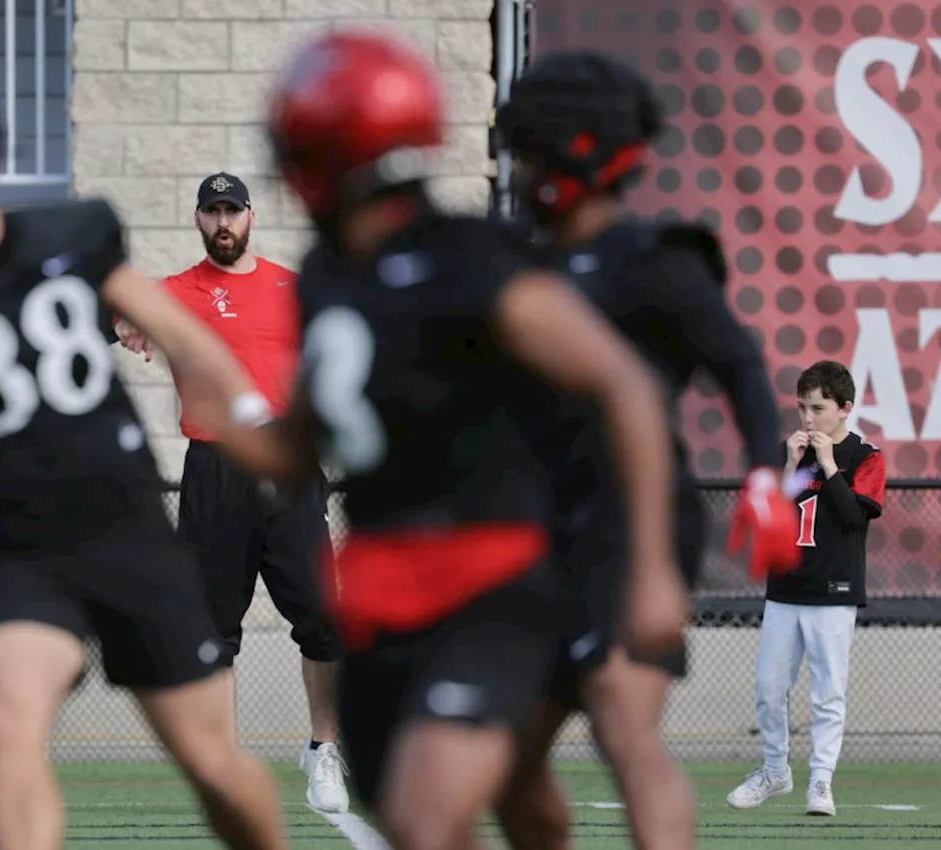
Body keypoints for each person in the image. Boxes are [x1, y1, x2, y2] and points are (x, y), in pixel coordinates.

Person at [211, 30, 690, 849]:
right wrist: (217, 421)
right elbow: (302, 446)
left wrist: (649, 571)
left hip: (488, 583)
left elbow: (626, 389)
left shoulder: (468, 255)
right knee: (475, 799)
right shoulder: (328, 273)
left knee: (423, 819)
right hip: (376, 597)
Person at [0, 64, 288, 850]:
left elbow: (185, 337)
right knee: (9, 725)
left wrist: (253, 415)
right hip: (12, 546)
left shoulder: (69, 233)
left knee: (209, 760)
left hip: (125, 530)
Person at [490, 51, 807, 850]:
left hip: (632, 522)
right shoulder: (508, 258)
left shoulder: (656, 260)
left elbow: (739, 366)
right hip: (534, 528)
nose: (519, 174)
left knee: (622, 726)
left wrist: (765, 476)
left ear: (577, 154)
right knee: (511, 764)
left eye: (530, 155)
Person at [115, 172, 348, 813]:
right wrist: (125, 323)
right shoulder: (175, 292)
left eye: (233, 211)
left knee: (325, 623)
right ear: (197, 220)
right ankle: (225, 767)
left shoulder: (291, 290)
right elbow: (114, 311)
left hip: (288, 469)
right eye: (212, 211)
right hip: (213, 471)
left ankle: (323, 750)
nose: (224, 222)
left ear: (251, 218)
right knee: (214, 633)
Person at [727, 360, 885, 817]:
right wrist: (790, 467)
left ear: (845, 409)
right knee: (768, 687)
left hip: (834, 591)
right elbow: (766, 514)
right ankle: (775, 770)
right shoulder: (788, 452)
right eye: (801, 407)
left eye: (818, 408)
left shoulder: (865, 455)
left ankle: (821, 781)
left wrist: (831, 467)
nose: (808, 418)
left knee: (827, 692)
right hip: (785, 589)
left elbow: (855, 518)